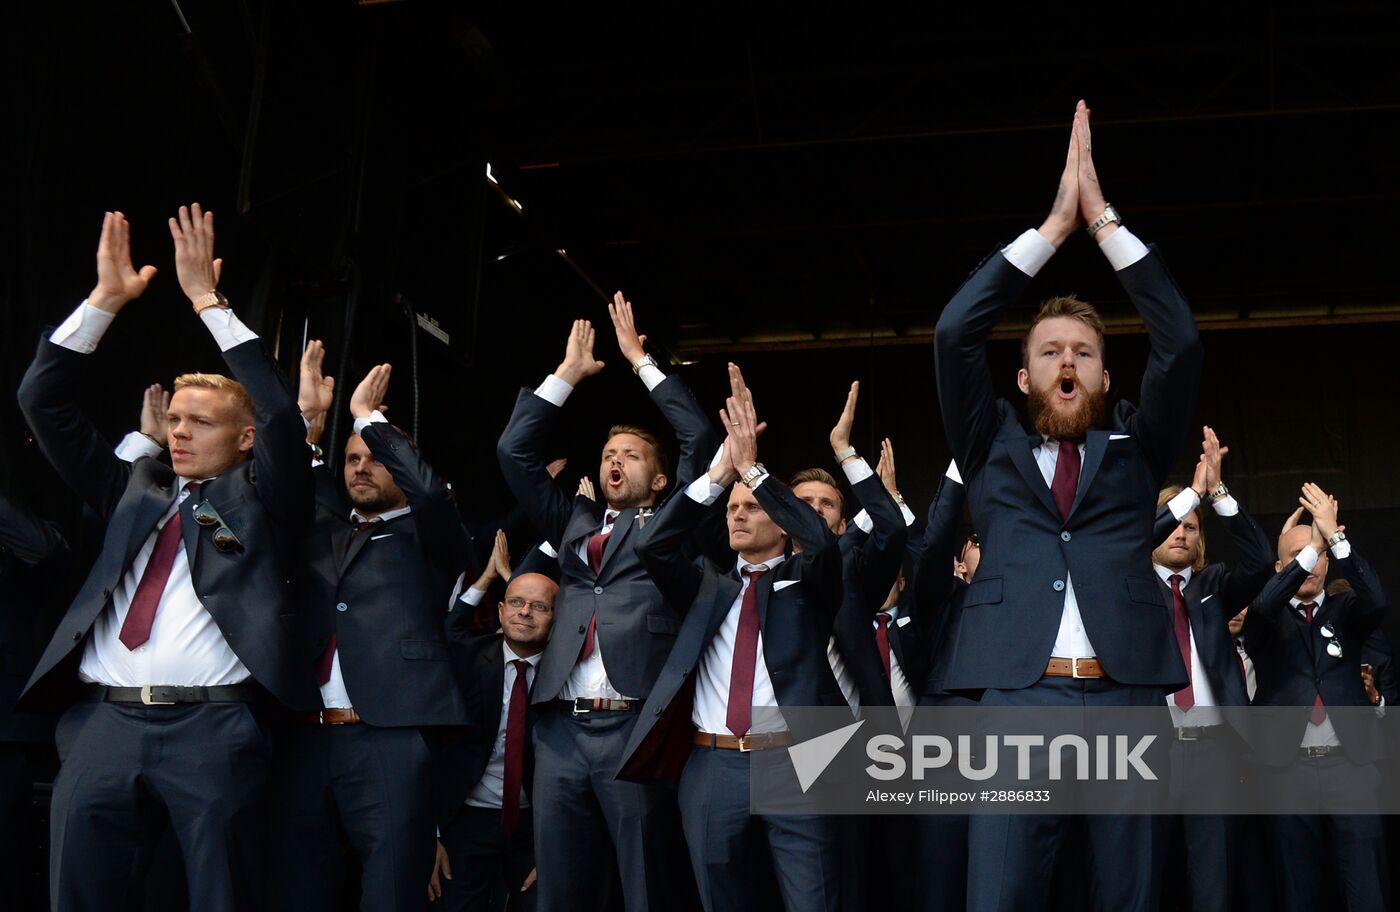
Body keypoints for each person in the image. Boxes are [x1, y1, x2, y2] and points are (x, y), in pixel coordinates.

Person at [933, 101, 1203, 911]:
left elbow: (1182, 342)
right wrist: (1054, 228)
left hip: (1127, 696)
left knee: (1129, 892)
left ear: (1105, 379)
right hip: (1018, 699)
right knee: (1003, 893)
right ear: (1023, 379)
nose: (1067, 362)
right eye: (1049, 351)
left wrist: (1105, 223)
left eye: (1084, 353)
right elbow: (953, 334)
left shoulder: (1138, 449)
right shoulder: (989, 444)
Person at [16, 206, 318, 911]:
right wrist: (104, 302)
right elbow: (42, 399)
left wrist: (207, 303)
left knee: (219, 896)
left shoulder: (267, 499)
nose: (179, 431)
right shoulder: (133, 488)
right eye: (174, 419)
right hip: (104, 725)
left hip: (212, 731)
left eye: (200, 422)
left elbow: (279, 414)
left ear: (243, 440)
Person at [495, 295, 718, 911]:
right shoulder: (574, 521)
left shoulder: (675, 523)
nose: (615, 460)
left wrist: (641, 362)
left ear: (663, 478)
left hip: (635, 726)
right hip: (562, 728)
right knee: (561, 889)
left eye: (632, 455)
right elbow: (513, 452)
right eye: (609, 453)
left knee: (645, 884)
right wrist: (567, 375)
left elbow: (699, 434)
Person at [620, 364, 845, 912]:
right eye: (732, 510)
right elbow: (654, 548)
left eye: (752, 507)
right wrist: (720, 478)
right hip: (712, 765)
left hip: (795, 761)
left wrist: (756, 471)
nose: (738, 514)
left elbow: (821, 543)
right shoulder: (705, 586)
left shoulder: (806, 581)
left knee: (812, 899)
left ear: (781, 520)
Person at [267, 347, 471, 911]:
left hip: (387, 737)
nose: (360, 466)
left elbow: (428, 492)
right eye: (352, 458)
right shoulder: (327, 530)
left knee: (389, 893)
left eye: (374, 459)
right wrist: (309, 423)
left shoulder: (430, 534)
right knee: (295, 890)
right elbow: (293, 483)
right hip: (305, 737)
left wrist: (368, 421)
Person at [1244, 484, 1390, 912]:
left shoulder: (1346, 612)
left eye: (1316, 555)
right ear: (1279, 567)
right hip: (1286, 772)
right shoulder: (1266, 620)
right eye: (1296, 557)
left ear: (1328, 562)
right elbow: (1265, 604)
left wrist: (1336, 537)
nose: (1308, 564)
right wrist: (1310, 546)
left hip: (1353, 768)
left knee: (1367, 886)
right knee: (1296, 889)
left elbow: (1377, 599)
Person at [1150, 427, 1274, 912]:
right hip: (1146, 752)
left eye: (1193, 526)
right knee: (1144, 874)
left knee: (1213, 880)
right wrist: (1189, 495)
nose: (1182, 531)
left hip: (1214, 753)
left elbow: (1262, 560)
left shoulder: (1212, 585)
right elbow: (1128, 541)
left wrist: (1216, 493)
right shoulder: (1129, 587)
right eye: (1175, 522)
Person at [430, 571, 559, 911]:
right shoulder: (464, 659)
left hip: (537, 826)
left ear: (558, 618)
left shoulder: (568, 673)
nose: (525, 612)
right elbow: (429, 747)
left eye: (539, 606)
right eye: (516, 602)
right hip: (465, 819)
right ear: (501, 610)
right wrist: (431, 836)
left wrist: (560, 847)